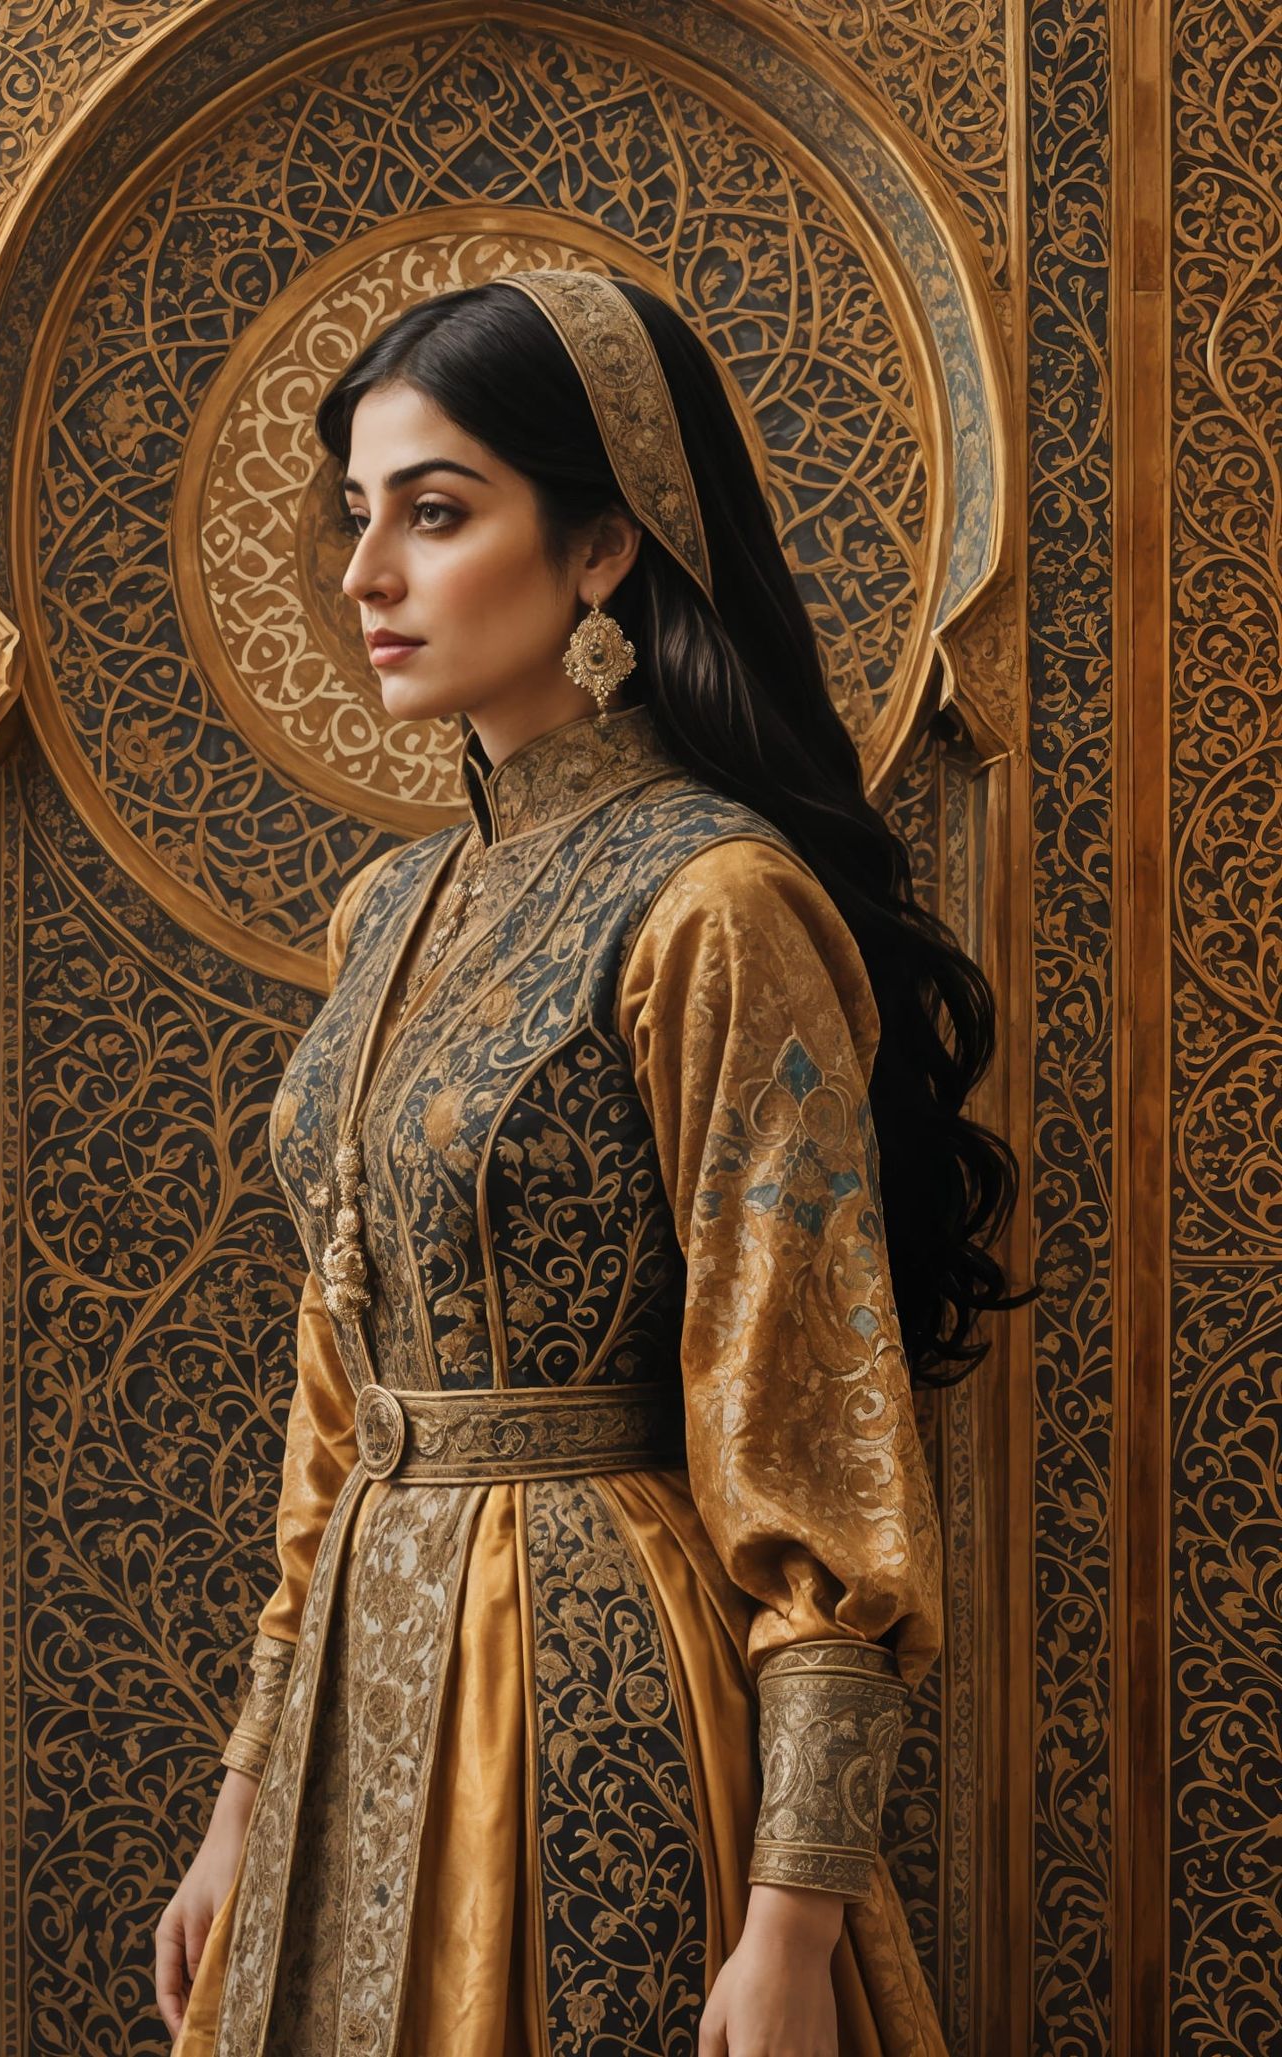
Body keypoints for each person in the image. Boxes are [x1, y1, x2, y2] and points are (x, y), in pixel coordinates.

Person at [155, 267, 1029, 2056]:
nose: (365, 574)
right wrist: (246, 1789)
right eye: (355, 515)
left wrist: (793, 1920)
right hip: (351, 1703)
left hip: (593, 1693)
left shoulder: (714, 904)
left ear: (604, 549)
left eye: (435, 513)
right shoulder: (390, 911)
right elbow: (338, 1393)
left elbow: (816, 1434)